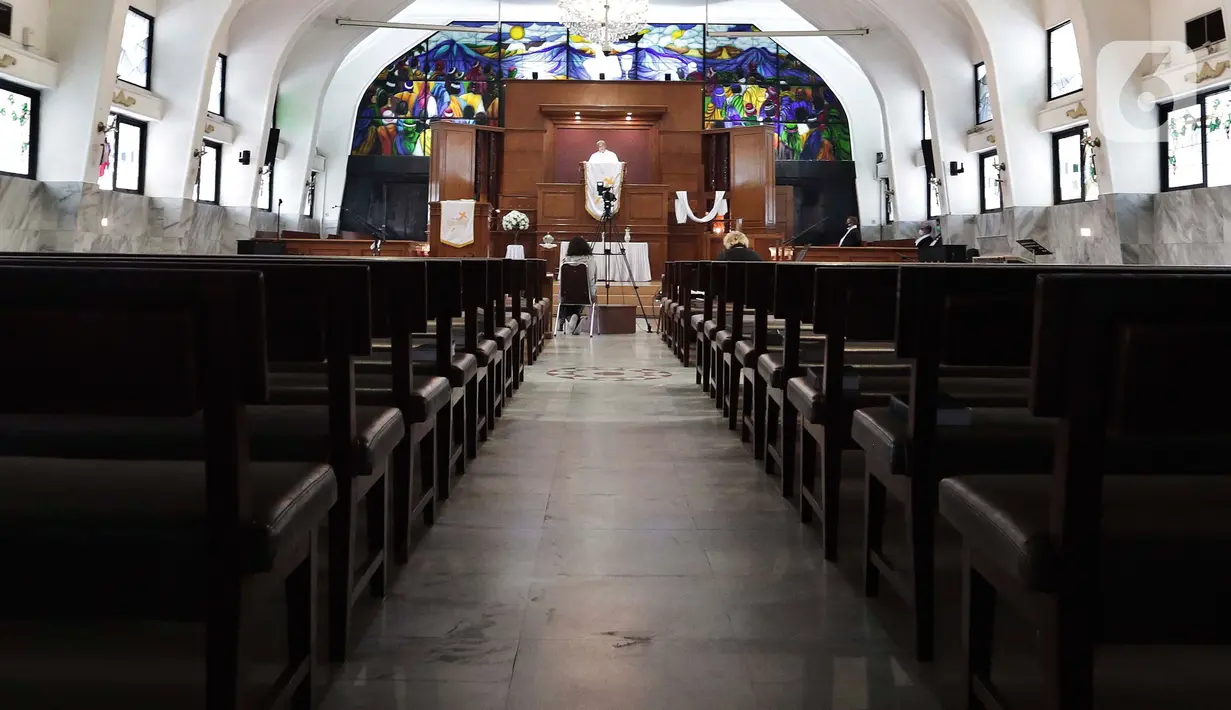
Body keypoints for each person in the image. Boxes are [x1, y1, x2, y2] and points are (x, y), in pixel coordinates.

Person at [558, 237, 597, 335]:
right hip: (584, 294)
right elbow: (593, 279)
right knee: (582, 294)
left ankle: (569, 318)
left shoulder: (565, 261)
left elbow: (560, 280)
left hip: (567, 294)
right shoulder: (591, 261)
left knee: (566, 299)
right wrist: (593, 294)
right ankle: (575, 316)